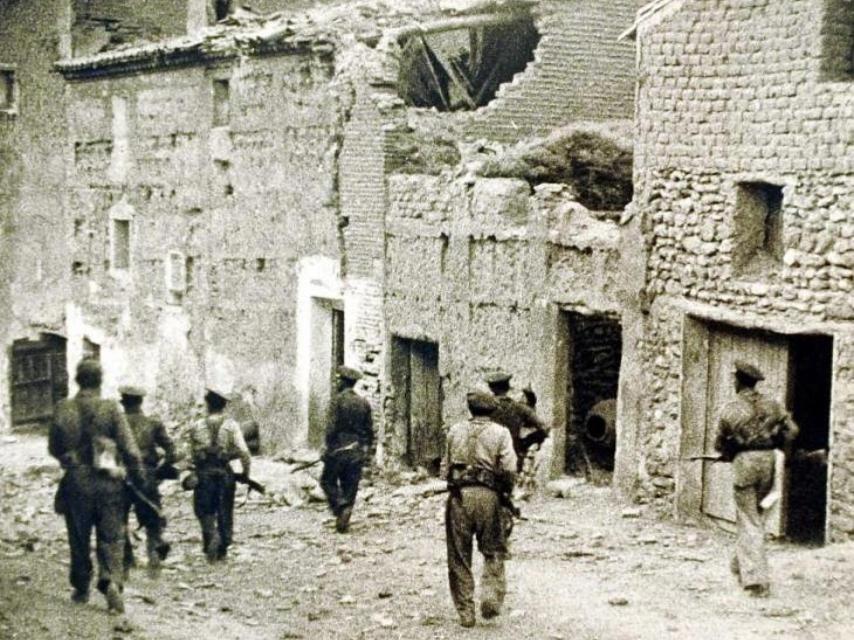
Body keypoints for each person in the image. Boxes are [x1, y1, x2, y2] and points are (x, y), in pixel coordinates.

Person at [48, 359, 144, 615]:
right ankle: (111, 581)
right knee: (111, 536)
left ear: (77, 379)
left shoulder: (63, 408)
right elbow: (131, 450)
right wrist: (138, 477)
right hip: (109, 481)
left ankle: (81, 586)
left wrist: (67, 457)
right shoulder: (110, 408)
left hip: (77, 482)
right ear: (100, 381)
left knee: (78, 538)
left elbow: (54, 447)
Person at [714, 360, 799, 598]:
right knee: (755, 515)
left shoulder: (730, 409)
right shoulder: (773, 404)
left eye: (734, 378)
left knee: (749, 519)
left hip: (745, 463)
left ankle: (755, 581)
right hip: (769, 460)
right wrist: (780, 447)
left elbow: (719, 443)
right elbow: (792, 431)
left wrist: (729, 452)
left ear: (738, 381)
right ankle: (738, 563)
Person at [441, 391, 517, 628]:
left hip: (459, 497)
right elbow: (509, 469)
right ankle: (490, 600)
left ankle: (466, 611)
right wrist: (506, 495)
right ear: (492, 410)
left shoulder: (454, 431)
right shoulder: (501, 433)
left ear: (470, 409)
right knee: (494, 549)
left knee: (458, 555)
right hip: (489, 497)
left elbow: (444, 468)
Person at [186, 387, 251, 562]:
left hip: (204, 474)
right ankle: (222, 547)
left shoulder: (196, 426)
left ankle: (211, 535)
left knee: (203, 509)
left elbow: (191, 455)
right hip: (224, 473)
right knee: (225, 510)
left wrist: (193, 471)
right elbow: (244, 453)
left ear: (207, 404)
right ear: (224, 406)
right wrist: (245, 474)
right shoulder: (231, 425)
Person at [118, 385, 176, 575]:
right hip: (146, 476)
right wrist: (161, 469)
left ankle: (127, 560)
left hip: (122, 477)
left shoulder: (114, 425)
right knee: (153, 519)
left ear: (122, 402)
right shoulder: (153, 423)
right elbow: (171, 450)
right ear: (141, 402)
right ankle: (153, 560)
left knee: (119, 519)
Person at [320, 365, 373, 533]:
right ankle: (345, 512)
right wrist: (366, 450)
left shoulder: (337, 401)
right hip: (356, 450)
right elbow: (369, 431)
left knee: (327, 480)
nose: (336, 383)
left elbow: (331, 428)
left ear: (344, 382)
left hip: (338, 448)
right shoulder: (364, 403)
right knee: (350, 484)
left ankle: (340, 506)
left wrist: (327, 448)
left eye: (338, 380)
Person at [486, 371, 548, 472]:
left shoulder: (484, 407)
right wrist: (525, 442)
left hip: (488, 456)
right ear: (508, 387)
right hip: (512, 455)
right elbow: (544, 428)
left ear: (491, 388)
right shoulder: (519, 408)